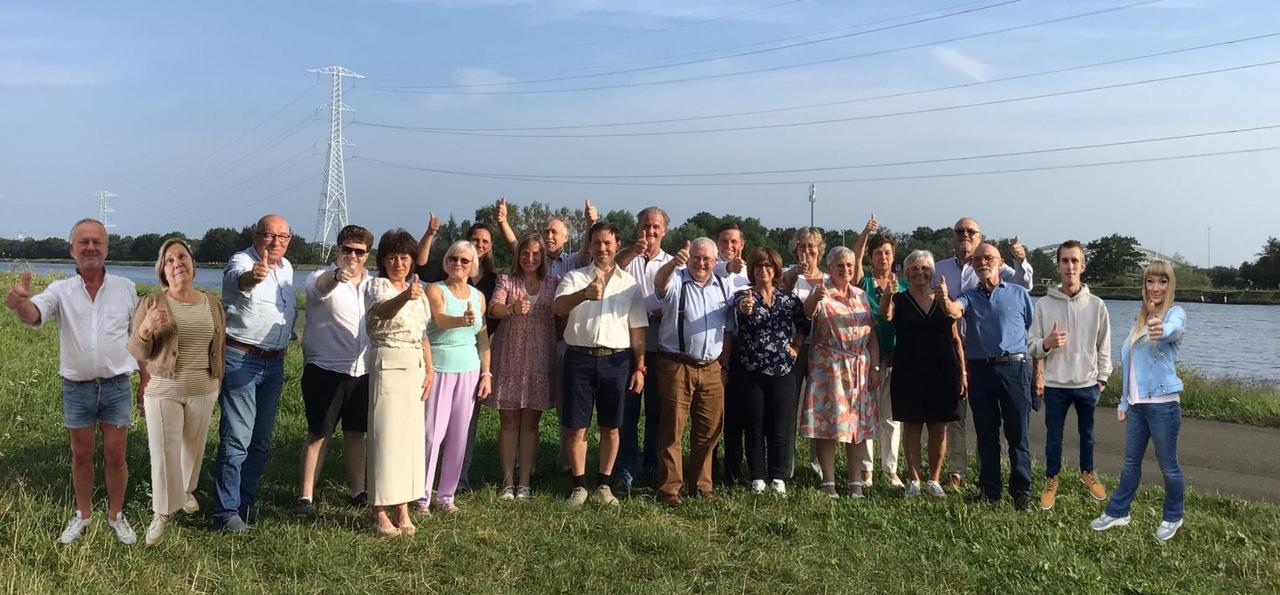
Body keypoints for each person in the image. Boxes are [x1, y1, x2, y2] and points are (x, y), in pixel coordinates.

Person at [4, 218, 139, 544]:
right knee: (81, 455)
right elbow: (35, 313)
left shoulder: (126, 288)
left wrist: (147, 382)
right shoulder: (59, 290)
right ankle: (83, 514)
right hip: (77, 388)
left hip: (117, 387)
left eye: (97, 241)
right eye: (83, 242)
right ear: (72, 250)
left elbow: (140, 339)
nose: (90, 247)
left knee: (116, 456)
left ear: (106, 248)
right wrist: (20, 304)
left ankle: (116, 515)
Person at [128, 237, 225, 545]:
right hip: (163, 389)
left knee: (192, 449)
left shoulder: (212, 303)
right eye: (169, 260)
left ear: (193, 265)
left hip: (204, 388)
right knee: (163, 451)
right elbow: (136, 350)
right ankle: (161, 514)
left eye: (182, 257)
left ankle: (185, 490)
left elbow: (219, 345)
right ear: (162, 271)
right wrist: (146, 329)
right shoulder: (152, 302)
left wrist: (218, 379)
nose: (176, 263)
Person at [933, 217, 1032, 491]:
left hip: (1012, 366)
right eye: (978, 260)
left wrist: (1021, 259)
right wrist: (943, 298)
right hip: (972, 362)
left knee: (1017, 434)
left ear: (1000, 262)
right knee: (980, 429)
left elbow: (1026, 320)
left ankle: (1021, 491)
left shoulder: (1015, 290)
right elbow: (953, 311)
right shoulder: (963, 288)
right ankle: (986, 487)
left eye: (988, 258)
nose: (982, 262)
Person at [213, 214, 298, 532]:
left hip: (273, 363)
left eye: (283, 237)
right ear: (255, 236)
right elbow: (241, 280)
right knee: (237, 439)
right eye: (269, 235)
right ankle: (225, 513)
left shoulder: (287, 268)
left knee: (260, 441)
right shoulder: (241, 261)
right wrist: (254, 276)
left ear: (289, 240)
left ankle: (245, 505)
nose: (276, 242)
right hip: (241, 359)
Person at [552, 221, 647, 506]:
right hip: (579, 359)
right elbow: (556, 308)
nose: (602, 248)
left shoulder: (629, 284)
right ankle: (579, 486)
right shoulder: (575, 277)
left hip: (616, 361)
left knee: (611, 426)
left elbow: (638, 330)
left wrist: (640, 367)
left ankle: (604, 485)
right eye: (596, 243)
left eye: (607, 243)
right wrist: (583, 294)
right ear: (590, 246)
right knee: (576, 427)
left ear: (618, 245)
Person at [1092, 261, 1186, 542]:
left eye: (1162, 281)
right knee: (1131, 463)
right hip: (1137, 406)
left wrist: (1161, 328)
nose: (1156, 287)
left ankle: (1173, 516)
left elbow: (1173, 329)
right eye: (1150, 281)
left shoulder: (1175, 313)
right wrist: (1124, 402)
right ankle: (1118, 512)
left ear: (1170, 285)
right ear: (1144, 284)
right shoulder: (1141, 318)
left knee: (1168, 465)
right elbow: (1131, 365)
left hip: (1163, 405)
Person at [290, 225, 376, 519]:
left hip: (362, 370)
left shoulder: (373, 285)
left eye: (359, 252)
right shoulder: (320, 276)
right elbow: (320, 288)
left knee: (356, 433)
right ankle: (305, 496)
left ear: (367, 255)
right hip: (325, 369)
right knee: (319, 433)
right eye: (347, 249)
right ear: (337, 249)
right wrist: (338, 276)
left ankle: (358, 491)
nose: (352, 256)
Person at [1029, 240, 1112, 510]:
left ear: (1083, 266)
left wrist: (1102, 379)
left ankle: (1087, 473)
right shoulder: (1043, 305)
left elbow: (1104, 344)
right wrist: (1047, 343)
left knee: (1088, 435)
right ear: (1058, 266)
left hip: (1087, 383)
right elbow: (1031, 345)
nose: (1070, 266)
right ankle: (1052, 479)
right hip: (1055, 384)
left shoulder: (1097, 305)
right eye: (1065, 261)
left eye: (1075, 261)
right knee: (1053, 437)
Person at [652, 238, 734, 505]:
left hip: (711, 367)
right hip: (677, 364)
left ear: (714, 261)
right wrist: (672, 264)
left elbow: (728, 328)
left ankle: (701, 486)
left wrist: (724, 365)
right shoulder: (677, 279)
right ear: (689, 258)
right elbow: (659, 284)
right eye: (696, 257)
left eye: (706, 259)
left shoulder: (722, 285)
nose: (701, 263)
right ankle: (669, 489)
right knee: (672, 429)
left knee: (709, 431)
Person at [366, 229, 434, 536]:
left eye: (404, 257)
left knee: (409, 439)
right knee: (386, 436)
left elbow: (422, 334)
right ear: (383, 260)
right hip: (388, 361)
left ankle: (403, 506)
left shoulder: (418, 290)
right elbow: (382, 311)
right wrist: (405, 296)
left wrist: (430, 368)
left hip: (414, 364)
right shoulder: (377, 285)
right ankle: (379, 509)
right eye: (392, 257)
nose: (399, 263)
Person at [882, 250, 965, 498]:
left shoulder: (943, 299)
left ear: (932, 272)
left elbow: (955, 338)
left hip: (942, 371)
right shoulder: (900, 299)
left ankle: (934, 479)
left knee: (939, 427)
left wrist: (963, 372)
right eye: (914, 268)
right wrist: (887, 293)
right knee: (912, 426)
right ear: (906, 273)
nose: (920, 272)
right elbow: (886, 315)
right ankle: (914, 479)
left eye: (925, 268)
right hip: (908, 371)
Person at [801, 246, 881, 499]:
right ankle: (829, 481)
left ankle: (855, 482)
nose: (845, 269)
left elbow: (872, 334)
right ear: (830, 267)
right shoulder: (822, 291)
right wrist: (815, 297)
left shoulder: (861, 295)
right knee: (828, 425)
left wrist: (875, 366)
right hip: (829, 368)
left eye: (849, 265)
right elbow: (807, 313)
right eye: (839, 265)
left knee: (857, 427)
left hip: (859, 367)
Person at [726, 247, 807, 495]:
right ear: (752, 270)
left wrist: (796, 346)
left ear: (776, 269)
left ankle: (778, 476)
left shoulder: (788, 299)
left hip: (782, 371)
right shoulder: (743, 295)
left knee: (779, 425)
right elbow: (742, 309)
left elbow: (804, 324)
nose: (763, 270)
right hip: (751, 371)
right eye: (759, 266)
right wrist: (746, 308)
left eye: (768, 265)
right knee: (754, 424)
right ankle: (757, 476)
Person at [422, 240, 493, 513]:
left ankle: (446, 496)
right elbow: (439, 319)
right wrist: (461, 320)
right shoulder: (435, 289)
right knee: (432, 435)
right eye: (453, 258)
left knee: (459, 436)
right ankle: (421, 497)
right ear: (446, 261)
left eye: (464, 260)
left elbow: (482, 337)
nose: (458, 264)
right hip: (439, 368)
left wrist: (486, 373)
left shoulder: (479, 297)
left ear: (473, 264)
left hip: (469, 370)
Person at [487, 235, 559, 500]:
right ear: (518, 255)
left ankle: (525, 482)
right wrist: (511, 308)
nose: (530, 258)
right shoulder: (506, 281)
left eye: (535, 254)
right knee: (508, 421)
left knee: (530, 422)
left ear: (542, 257)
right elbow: (493, 308)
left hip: (539, 359)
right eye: (525, 253)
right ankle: (508, 482)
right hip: (509, 357)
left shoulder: (553, 283)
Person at [610, 206, 672, 495]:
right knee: (627, 412)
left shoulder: (672, 263)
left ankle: (651, 466)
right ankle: (625, 469)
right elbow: (611, 267)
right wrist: (632, 251)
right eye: (646, 225)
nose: (651, 231)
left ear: (664, 231)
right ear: (639, 228)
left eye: (656, 226)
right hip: (627, 346)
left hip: (660, 346)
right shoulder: (629, 258)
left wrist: (661, 312)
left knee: (657, 412)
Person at [852, 223, 908, 489]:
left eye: (887, 253)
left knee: (891, 417)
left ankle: (891, 469)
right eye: (878, 253)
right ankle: (866, 469)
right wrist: (865, 233)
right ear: (871, 257)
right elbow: (854, 260)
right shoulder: (863, 283)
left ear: (893, 256)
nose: (883, 258)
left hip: (895, 358)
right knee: (867, 414)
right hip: (866, 357)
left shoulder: (903, 286)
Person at [781, 227, 826, 479]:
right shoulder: (788, 275)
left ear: (820, 250)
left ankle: (819, 466)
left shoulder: (828, 279)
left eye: (811, 246)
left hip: (821, 349)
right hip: (792, 348)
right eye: (802, 247)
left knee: (819, 409)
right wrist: (791, 276)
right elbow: (778, 292)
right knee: (788, 408)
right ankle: (784, 466)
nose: (807, 251)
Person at [495, 196, 594, 278]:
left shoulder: (572, 261)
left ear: (566, 238)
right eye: (546, 232)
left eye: (554, 232)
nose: (549, 236)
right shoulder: (534, 260)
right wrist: (503, 222)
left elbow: (586, 251)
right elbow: (515, 246)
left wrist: (590, 224)